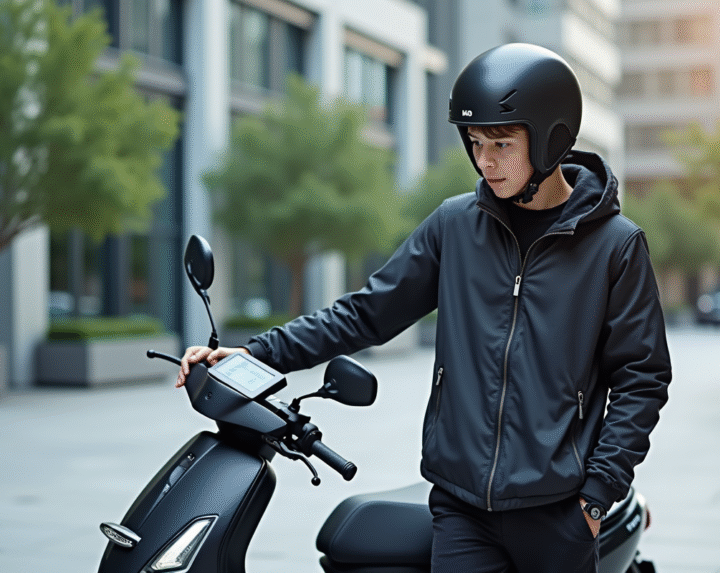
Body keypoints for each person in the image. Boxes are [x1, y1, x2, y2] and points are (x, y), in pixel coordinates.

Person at [176, 43, 671, 573]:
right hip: (461, 509)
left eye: (501, 143)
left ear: (552, 138)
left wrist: (596, 494)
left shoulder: (615, 246)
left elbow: (642, 377)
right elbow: (364, 313)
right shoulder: (454, 226)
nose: (485, 161)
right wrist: (252, 355)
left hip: (558, 512)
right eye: (475, 143)